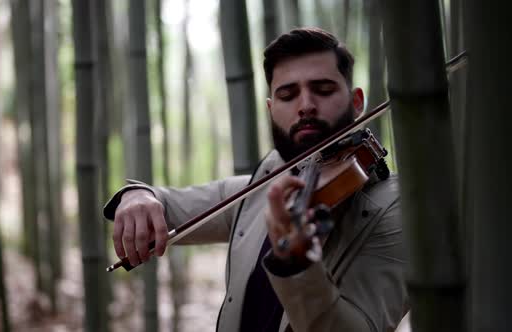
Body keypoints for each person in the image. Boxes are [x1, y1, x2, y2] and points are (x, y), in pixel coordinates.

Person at [103, 28, 408, 331]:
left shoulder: (396, 209)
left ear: (357, 103)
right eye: (287, 95)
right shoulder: (271, 178)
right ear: (271, 108)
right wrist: (138, 195)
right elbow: (171, 205)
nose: (305, 106)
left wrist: (298, 263)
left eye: (324, 90)